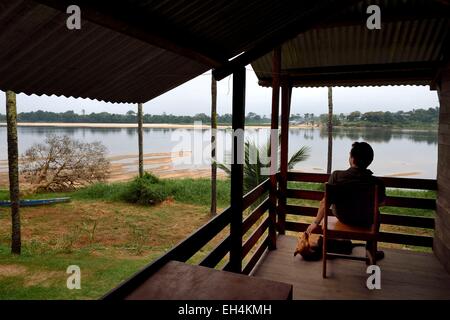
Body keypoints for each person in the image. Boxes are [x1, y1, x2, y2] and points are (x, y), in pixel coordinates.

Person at [306, 141, 386, 258]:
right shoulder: (377, 183)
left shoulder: (337, 176)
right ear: (370, 160)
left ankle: (339, 245)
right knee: (377, 214)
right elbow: (381, 203)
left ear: (352, 159)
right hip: (366, 220)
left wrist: (315, 222)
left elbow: (325, 202)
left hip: (343, 217)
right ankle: (371, 249)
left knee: (373, 213)